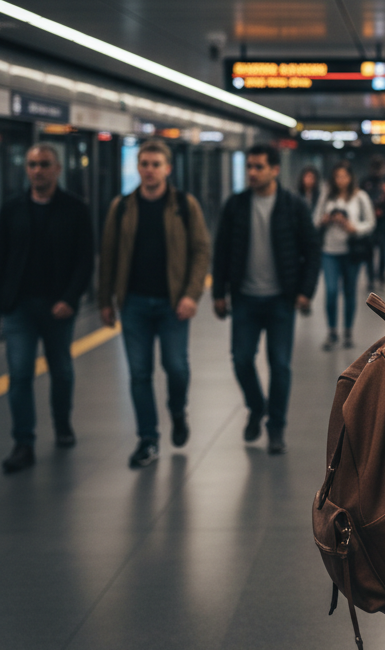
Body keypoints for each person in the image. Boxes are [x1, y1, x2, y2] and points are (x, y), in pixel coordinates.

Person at [98, 139, 211, 469]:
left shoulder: (184, 206)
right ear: (138, 167)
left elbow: (201, 252)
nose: (149, 170)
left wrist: (192, 294)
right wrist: (105, 300)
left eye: (155, 164)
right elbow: (108, 256)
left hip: (173, 304)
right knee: (138, 373)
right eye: (144, 163)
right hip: (133, 304)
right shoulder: (121, 207)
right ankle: (147, 439)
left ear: (167, 169)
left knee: (176, 367)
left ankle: (177, 409)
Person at [212, 144, 320, 454]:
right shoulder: (235, 206)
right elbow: (221, 252)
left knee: (280, 365)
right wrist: (219, 293)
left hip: (280, 300)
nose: (252, 173)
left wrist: (304, 291)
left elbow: (311, 250)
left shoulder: (293, 206)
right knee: (242, 359)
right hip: (244, 298)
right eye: (249, 167)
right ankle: (257, 406)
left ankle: (276, 428)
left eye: (258, 167)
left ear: (274, 169)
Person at [0, 144, 93, 474]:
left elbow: (84, 260)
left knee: (61, 370)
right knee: (20, 373)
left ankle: (63, 424)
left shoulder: (75, 210)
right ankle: (23, 442)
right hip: (19, 307)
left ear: (57, 169)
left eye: (44, 165)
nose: (37, 170)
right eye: (32, 165)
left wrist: (70, 298)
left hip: (58, 306)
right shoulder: (11, 210)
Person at [313, 161, 375, 349]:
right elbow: (314, 220)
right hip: (330, 251)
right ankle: (332, 331)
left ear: (350, 178)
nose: (341, 180)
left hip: (351, 253)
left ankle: (348, 331)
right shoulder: (326, 196)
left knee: (349, 292)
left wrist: (353, 228)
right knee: (331, 292)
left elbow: (371, 223)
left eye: (344, 176)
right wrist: (325, 220)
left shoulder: (360, 197)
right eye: (337, 176)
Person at [360, 155, 385, 288]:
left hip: (384, 219)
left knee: (383, 248)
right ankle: (370, 277)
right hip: (369, 219)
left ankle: (381, 274)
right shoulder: (366, 181)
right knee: (369, 249)